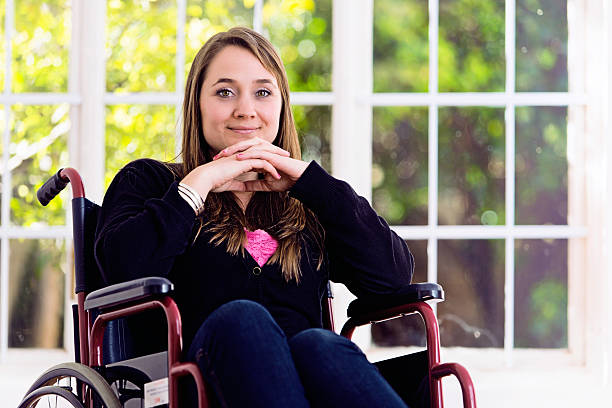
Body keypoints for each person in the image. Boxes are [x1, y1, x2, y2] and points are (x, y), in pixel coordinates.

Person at [95, 26, 414, 408]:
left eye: (262, 92)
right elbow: (119, 272)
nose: (245, 109)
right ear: (197, 104)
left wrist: (315, 185)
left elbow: (392, 279)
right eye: (225, 92)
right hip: (192, 382)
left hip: (309, 381)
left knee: (320, 343)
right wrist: (197, 184)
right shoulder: (149, 182)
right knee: (245, 319)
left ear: (281, 106)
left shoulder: (306, 203)